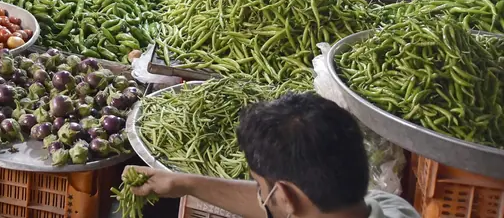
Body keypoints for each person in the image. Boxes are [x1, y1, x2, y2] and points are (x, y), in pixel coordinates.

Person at [126, 93, 421, 218]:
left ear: (283, 197)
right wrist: (184, 184)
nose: (262, 197)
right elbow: (287, 205)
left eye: (261, 189)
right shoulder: (390, 206)